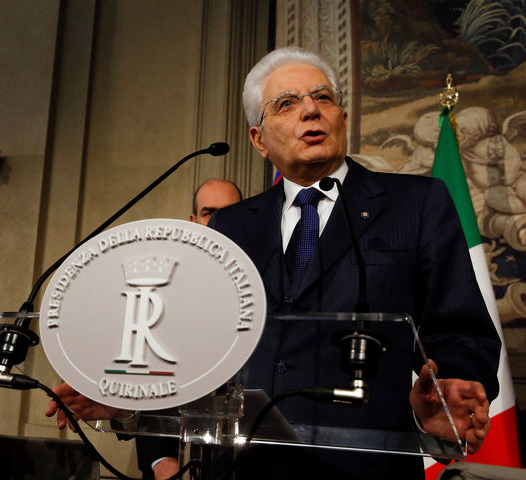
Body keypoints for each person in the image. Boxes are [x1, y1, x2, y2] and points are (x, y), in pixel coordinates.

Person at [47, 47, 501, 480]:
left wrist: (449, 397)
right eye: (286, 103)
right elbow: (194, 351)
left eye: (323, 97)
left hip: (365, 468)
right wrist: (127, 398)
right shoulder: (231, 225)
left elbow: (461, 331)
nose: (310, 110)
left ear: (342, 117)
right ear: (259, 139)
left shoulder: (414, 204)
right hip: (239, 468)